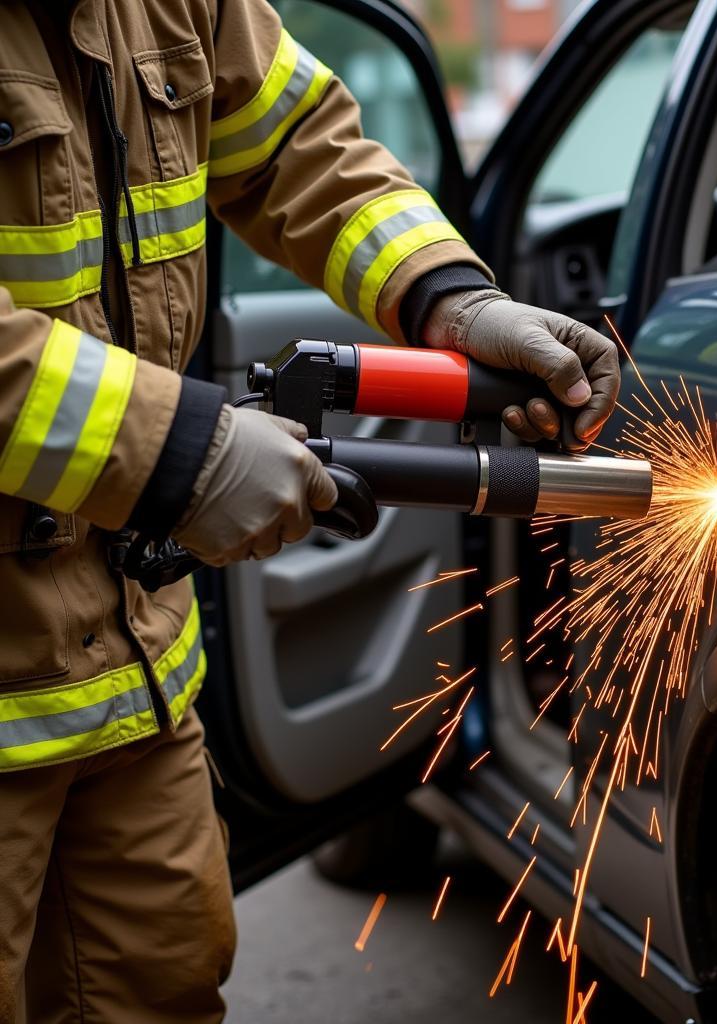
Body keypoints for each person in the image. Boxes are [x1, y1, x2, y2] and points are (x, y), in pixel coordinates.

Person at [0, 0, 620, 1020]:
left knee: (164, 994)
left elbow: (294, 146)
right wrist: (174, 453)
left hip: (133, 680)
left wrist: (453, 301)